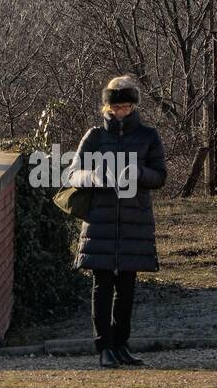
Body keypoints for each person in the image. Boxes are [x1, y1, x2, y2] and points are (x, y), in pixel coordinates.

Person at [67, 76, 166, 367]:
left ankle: (121, 344)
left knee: (127, 287)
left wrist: (137, 172)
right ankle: (104, 347)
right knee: (102, 285)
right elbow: (73, 174)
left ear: (133, 106)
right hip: (101, 220)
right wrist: (95, 176)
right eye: (115, 108)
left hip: (134, 220)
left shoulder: (149, 136)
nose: (120, 112)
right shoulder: (95, 136)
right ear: (107, 108)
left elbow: (159, 175)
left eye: (125, 107)